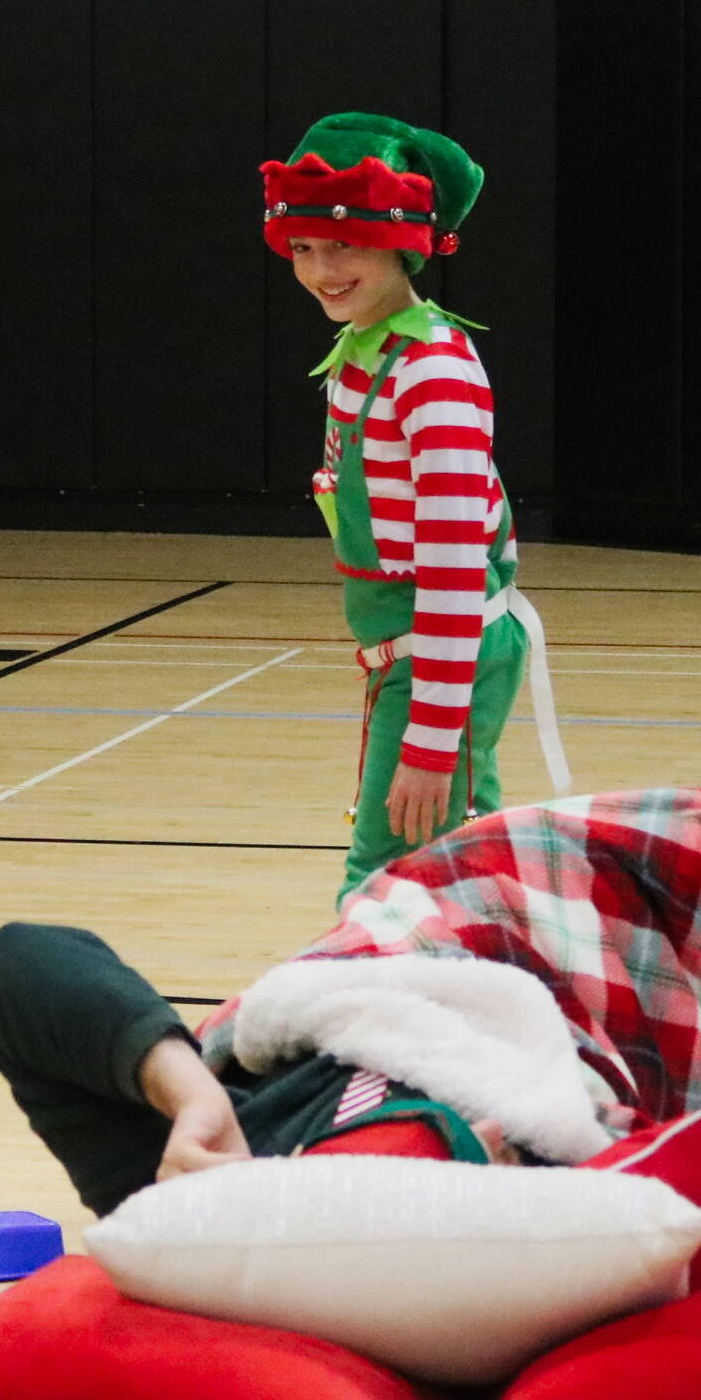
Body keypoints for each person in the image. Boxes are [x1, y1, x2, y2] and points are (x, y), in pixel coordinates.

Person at [0, 787, 701, 1295]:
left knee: (675, 849)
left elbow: (23, 962)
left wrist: (188, 1090)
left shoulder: (169, 1187)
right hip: (563, 1050)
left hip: (424, 960)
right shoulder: (475, 1280)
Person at [262, 112, 568, 906]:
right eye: (302, 248)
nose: (320, 268)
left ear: (402, 243)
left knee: (384, 886)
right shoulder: (366, 352)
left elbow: (455, 563)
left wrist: (432, 737)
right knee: (467, 873)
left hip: (442, 654)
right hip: (415, 655)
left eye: (343, 245)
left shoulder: (430, 370)